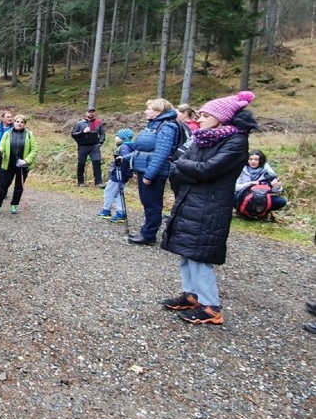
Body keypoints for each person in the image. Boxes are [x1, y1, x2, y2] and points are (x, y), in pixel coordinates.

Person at [161, 91, 257, 325]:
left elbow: (206, 170)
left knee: (200, 256)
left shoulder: (236, 142)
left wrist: (187, 167)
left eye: (205, 115)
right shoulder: (202, 137)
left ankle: (211, 306)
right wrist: (191, 169)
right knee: (186, 252)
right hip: (191, 200)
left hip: (211, 206)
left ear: (221, 117)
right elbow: (181, 169)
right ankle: (191, 294)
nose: (200, 119)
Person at [127, 99, 179, 245]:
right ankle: (147, 232)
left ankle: (148, 235)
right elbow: (143, 150)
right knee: (148, 203)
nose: (145, 111)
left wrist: (150, 174)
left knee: (152, 204)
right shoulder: (153, 125)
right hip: (145, 168)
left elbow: (162, 153)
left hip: (154, 172)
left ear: (158, 111)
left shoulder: (167, 127)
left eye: (149, 108)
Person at [0, 114, 38, 215]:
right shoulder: (7, 133)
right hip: (9, 164)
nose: (19, 124)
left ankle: (14, 205)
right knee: (3, 185)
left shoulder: (29, 134)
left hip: (22, 165)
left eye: (22, 122)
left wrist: (26, 160)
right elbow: (2, 145)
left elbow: (34, 149)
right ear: (14, 122)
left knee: (19, 186)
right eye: (17, 122)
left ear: (25, 124)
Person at [97, 129, 135, 223]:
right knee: (118, 194)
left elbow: (125, 159)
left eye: (117, 136)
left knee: (109, 191)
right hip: (124, 175)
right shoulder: (131, 146)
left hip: (119, 174)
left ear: (123, 138)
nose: (115, 138)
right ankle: (120, 212)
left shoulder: (124, 147)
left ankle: (106, 210)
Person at [71, 108, 106, 187]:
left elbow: (102, 134)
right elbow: (73, 134)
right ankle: (80, 182)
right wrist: (82, 132)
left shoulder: (98, 123)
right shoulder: (79, 123)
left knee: (97, 163)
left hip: (94, 147)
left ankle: (98, 183)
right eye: (89, 112)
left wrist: (100, 143)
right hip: (83, 147)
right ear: (86, 113)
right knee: (81, 164)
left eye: (93, 112)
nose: (91, 113)